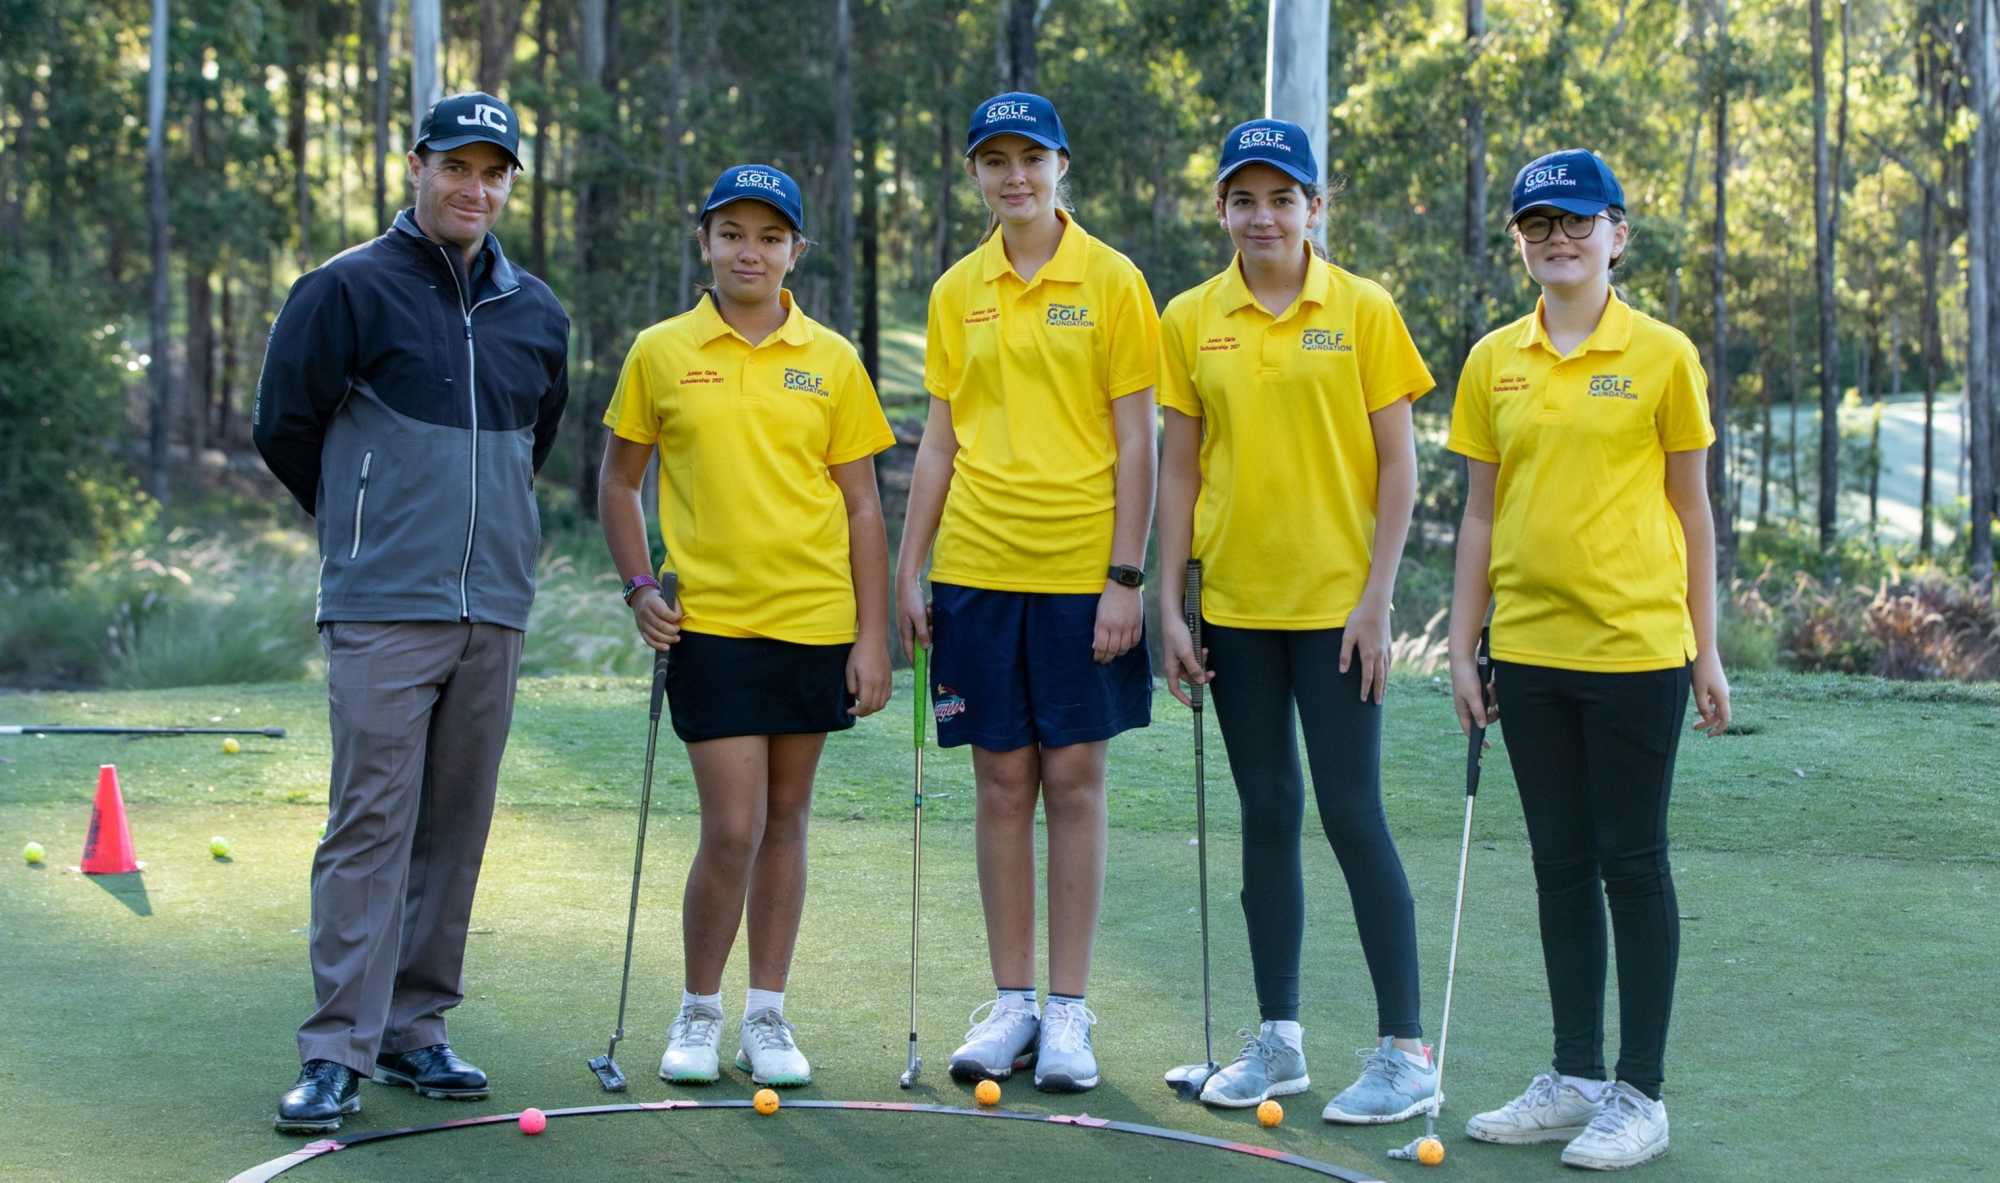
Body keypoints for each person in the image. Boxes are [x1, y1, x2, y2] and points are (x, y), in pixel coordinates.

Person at [254, 91, 570, 1134]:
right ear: (416, 166)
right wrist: (365, 520)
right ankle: (334, 1048)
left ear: (509, 184)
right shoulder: (342, 289)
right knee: (370, 825)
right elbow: (284, 427)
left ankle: (414, 1029)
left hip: (495, 605)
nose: (473, 188)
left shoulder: (538, 311)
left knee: (454, 827)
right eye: (455, 167)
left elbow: (535, 443)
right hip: (383, 604)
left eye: (493, 172)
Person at [1446, 148, 1732, 1171]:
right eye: (1535, 225)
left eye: (1575, 222)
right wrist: (1461, 644)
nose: (1555, 239)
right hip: (1525, 649)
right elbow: (1478, 515)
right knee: (1558, 864)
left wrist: (1705, 647)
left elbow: (1689, 507)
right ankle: (1571, 1078)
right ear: (1518, 241)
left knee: (1630, 860)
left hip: (1635, 651)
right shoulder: (1493, 360)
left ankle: (1638, 1093)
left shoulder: (1660, 354)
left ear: (1617, 232)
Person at [1155, 118, 1438, 1124]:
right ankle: (1277, 1039)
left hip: (1336, 614)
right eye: (1244, 198)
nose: (1263, 215)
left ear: (1314, 207)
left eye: (1283, 197)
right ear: (1221, 208)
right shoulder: (1191, 317)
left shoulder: (1361, 310)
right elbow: (1181, 466)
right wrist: (1166, 602)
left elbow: (1397, 466)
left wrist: (1376, 600)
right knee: (1266, 815)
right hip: (1232, 609)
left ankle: (1404, 1049)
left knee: (1351, 813)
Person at [598, 164, 894, 1090]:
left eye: (770, 236)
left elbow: (862, 508)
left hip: (814, 620)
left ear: (796, 250)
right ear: (705, 243)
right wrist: (639, 584)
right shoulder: (659, 349)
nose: (750, 251)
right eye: (732, 233)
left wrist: (873, 634)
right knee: (733, 824)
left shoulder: (832, 358)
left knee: (786, 822)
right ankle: (698, 1010)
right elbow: (617, 482)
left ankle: (768, 1013)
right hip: (711, 626)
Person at [894, 91, 1158, 1093]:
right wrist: (909, 567)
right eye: (994, 161)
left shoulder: (1113, 281)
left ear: (1059, 166)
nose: (1014, 176)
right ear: (973, 174)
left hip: (1080, 575)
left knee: (1074, 782)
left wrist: (1124, 575)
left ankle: (1071, 1010)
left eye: (1030, 158)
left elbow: (1138, 438)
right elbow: (940, 442)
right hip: (974, 570)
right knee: (1000, 784)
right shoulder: (955, 288)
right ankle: (1011, 1004)